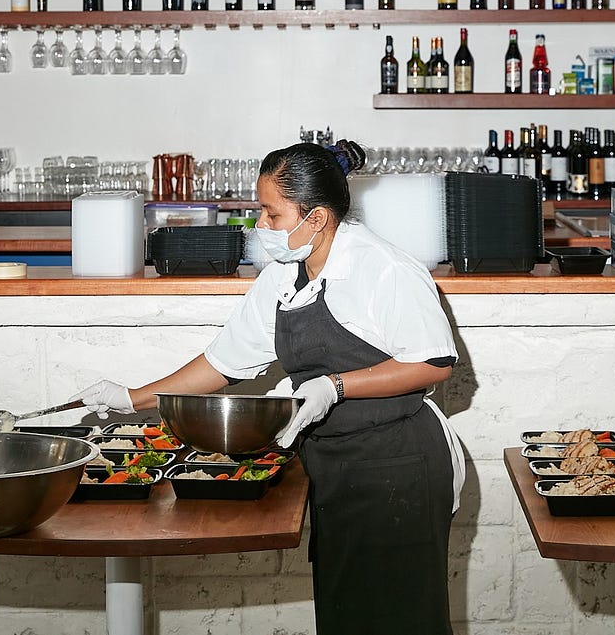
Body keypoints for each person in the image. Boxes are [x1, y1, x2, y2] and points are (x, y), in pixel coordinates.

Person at [72, 140, 464, 635]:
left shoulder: (384, 269)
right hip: (334, 467)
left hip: (399, 467)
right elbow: (222, 362)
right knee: (345, 616)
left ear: (316, 218)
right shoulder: (283, 274)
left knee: (403, 621)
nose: (261, 224)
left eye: (271, 213)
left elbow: (433, 362)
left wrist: (335, 386)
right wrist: (133, 398)